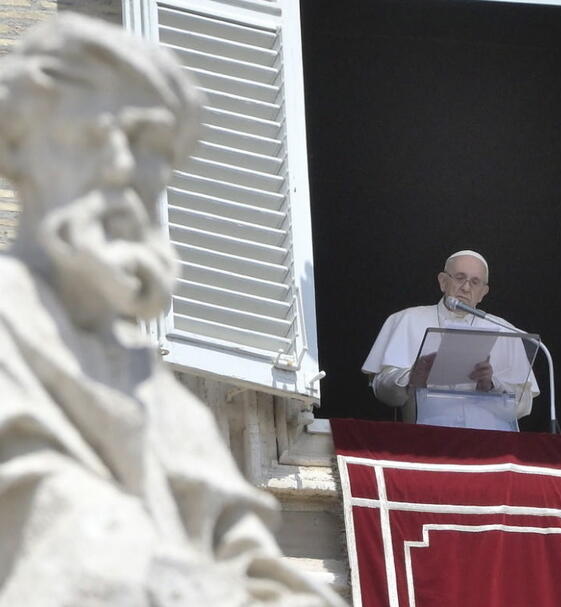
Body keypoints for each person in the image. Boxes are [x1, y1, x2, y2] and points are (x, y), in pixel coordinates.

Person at [0, 15, 341, 606]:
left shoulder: (160, 395)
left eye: (150, 146)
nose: (120, 167)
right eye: (95, 132)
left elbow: (255, 563)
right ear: (18, 146)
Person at [362, 250, 539, 431]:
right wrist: (411, 378)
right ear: (443, 281)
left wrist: (492, 385)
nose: (466, 288)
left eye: (475, 282)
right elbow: (382, 391)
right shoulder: (407, 320)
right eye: (460, 278)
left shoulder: (506, 331)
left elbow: (524, 406)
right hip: (427, 437)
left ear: (483, 292)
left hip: (491, 441)